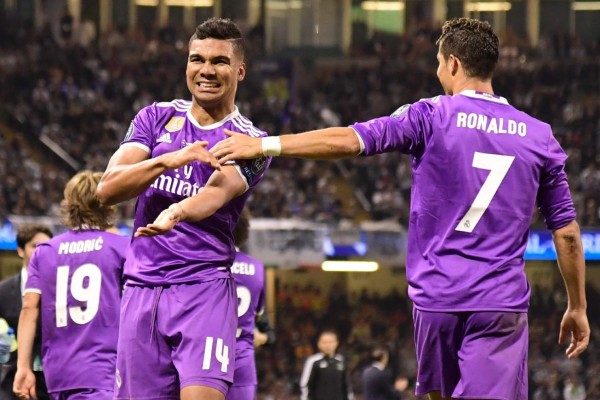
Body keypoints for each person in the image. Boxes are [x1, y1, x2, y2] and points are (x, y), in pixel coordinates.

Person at [211, 17, 590, 400]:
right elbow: (567, 233)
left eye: (439, 63)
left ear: (453, 64)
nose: (438, 71)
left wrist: (265, 145)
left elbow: (350, 140)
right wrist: (576, 305)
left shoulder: (430, 115)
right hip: (499, 302)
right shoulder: (539, 136)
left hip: (436, 299)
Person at [96, 17, 270, 400]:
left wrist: (176, 212)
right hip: (142, 288)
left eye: (219, 61)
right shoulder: (155, 118)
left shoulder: (251, 141)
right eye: (197, 59)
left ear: (240, 70)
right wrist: (168, 160)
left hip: (203, 289)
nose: (206, 70)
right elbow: (107, 189)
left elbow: (216, 194)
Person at [12, 171, 128, 400]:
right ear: (108, 203)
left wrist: (23, 367)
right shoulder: (121, 247)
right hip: (104, 369)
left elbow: (29, 309)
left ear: (69, 204)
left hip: (59, 372)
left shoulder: (45, 252)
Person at [0, 225, 53, 400]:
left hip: (51, 382)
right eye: (36, 246)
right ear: (21, 250)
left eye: (48, 246)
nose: (42, 252)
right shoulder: (3, 291)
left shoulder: (61, 289)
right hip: (10, 383)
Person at [227, 209, 275, 400]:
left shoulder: (206, 263)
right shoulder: (256, 268)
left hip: (208, 354)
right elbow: (258, 315)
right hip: (242, 356)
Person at [299, 330, 353, 400]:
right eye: (324, 342)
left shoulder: (341, 361)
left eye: (331, 342)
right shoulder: (313, 361)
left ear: (336, 343)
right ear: (319, 344)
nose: (328, 345)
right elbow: (305, 385)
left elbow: (346, 385)